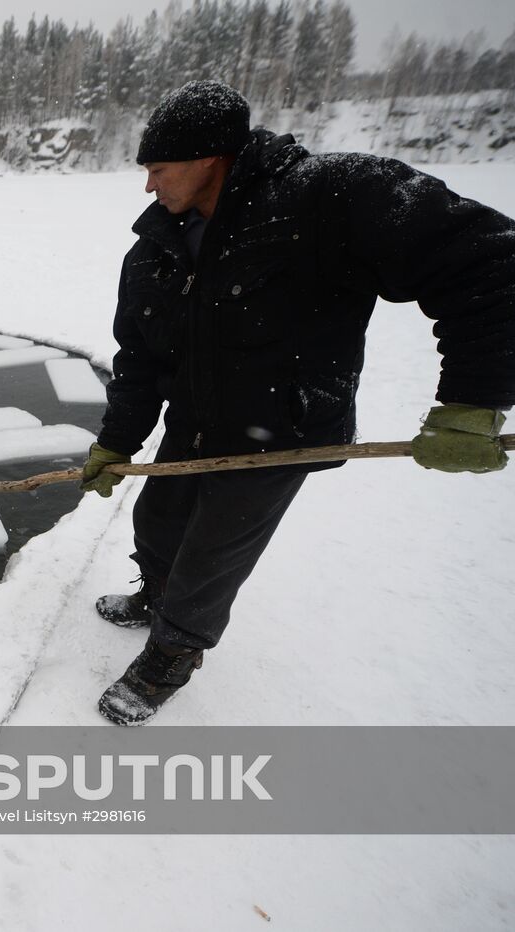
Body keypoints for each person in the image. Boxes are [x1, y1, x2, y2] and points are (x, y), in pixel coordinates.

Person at [81, 80, 515, 726]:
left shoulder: (331, 195)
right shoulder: (154, 251)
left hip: (279, 432)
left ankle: (172, 653)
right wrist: (118, 439)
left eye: (158, 170)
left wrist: (472, 402)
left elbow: (490, 263)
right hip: (195, 423)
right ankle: (156, 594)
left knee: (211, 557)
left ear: (209, 158)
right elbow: (141, 360)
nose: (149, 186)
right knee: (158, 523)